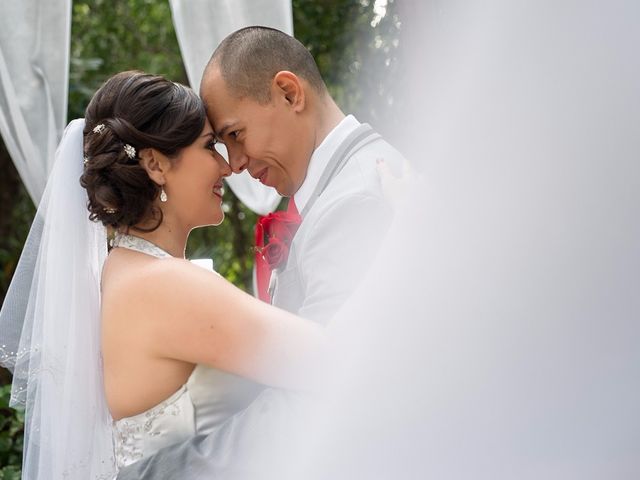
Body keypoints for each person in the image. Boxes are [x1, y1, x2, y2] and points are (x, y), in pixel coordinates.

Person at [0, 70, 327, 480]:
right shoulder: (166, 286)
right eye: (211, 146)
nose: (227, 167)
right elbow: (337, 363)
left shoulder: (120, 273)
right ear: (155, 164)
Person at [116, 26, 406, 479]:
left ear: (290, 93)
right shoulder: (352, 189)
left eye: (234, 134)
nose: (233, 164)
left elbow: (330, 399)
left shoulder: (356, 201)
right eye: (218, 144)